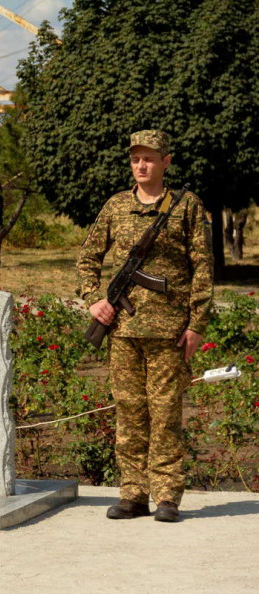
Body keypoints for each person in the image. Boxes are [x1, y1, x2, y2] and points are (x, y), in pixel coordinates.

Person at [77, 130, 213, 523]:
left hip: (170, 332)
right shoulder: (116, 206)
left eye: (150, 158)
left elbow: (203, 267)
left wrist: (197, 322)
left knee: (166, 413)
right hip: (122, 332)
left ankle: (167, 495)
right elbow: (87, 258)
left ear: (166, 161)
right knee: (130, 413)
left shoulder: (186, 206)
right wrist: (94, 299)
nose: (141, 165)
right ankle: (133, 494)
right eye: (136, 158)